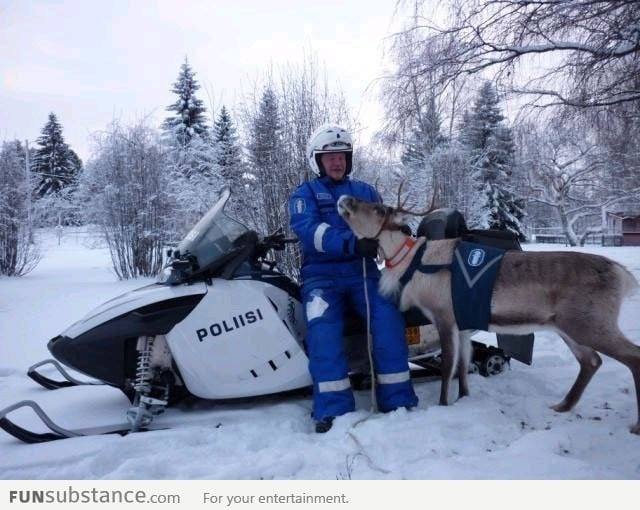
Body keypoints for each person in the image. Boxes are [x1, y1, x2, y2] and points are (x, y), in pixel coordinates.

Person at [289, 124, 418, 433]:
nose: (337, 162)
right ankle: (333, 411)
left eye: (342, 156)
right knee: (323, 332)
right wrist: (350, 243)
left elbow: (384, 220)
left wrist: (400, 230)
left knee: (388, 320)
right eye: (330, 157)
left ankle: (397, 400)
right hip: (321, 278)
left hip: (364, 274)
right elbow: (309, 232)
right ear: (317, 161)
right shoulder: (304, 194)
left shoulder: (365, 191)